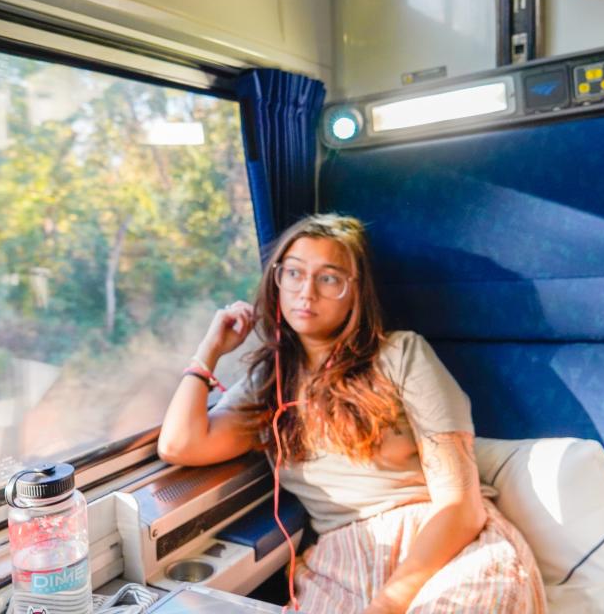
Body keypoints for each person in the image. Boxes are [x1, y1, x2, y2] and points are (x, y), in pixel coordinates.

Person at [157, 214, 546, 614]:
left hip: (444, 546)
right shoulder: (269, 381)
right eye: (293, 273)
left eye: (328, 278)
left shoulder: (401, 355)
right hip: (341, 563)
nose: (306, 292)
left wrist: (388, 604)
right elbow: (179, 445)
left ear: (354, 292)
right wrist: (210, 349)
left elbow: (461, 509)